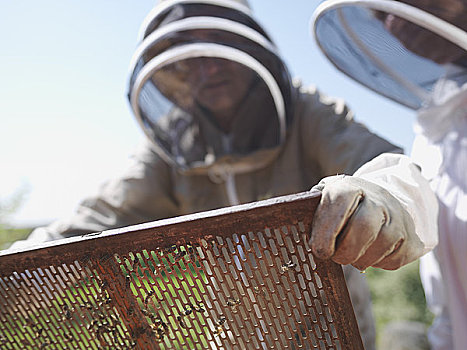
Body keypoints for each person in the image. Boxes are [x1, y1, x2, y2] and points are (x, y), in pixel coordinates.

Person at [10, 0, 439, 349]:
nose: (207, 67)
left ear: (250, 47)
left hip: (334, 338)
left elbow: (396, 172)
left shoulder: (308, 113)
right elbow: (95, 219)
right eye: (191, 56)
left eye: (218, 45)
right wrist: (15, 271)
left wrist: (380, 199)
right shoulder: (173, 146)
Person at [312, 0, 467, 348]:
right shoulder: (439, 127)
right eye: (381, 14)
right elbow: (450, 305)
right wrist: (385, 196)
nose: (395, 21)